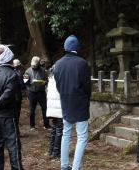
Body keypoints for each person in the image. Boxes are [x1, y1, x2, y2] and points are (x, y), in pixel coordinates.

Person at [53, 35, 91, 170]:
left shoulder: (58, 63)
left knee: (66, 134)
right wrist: (87, 98)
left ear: (65, 48)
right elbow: (87, 86)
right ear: (77, 48)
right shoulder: (81, 63)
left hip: (66, 102)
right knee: (81, 136)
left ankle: (64, 165)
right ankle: (76, 167)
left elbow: (57, 84)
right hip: (80, 102)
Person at [24, 56, 51, 130]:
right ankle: (32, 125)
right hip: (32, 92)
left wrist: (44, 82)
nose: (34, 66)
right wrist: (26, 79)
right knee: (32, 109)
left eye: (35, 65)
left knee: (44, 108)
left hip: (41, 92)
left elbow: (46, 80)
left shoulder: (42, 70)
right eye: (33, 65)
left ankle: (46, 124)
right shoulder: (28, 71)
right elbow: (25, 82)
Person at [46, 64, 63, 160]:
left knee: (54, 129)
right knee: (59, 130)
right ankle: (56, 151)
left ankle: (51, 149)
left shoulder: (51, 78)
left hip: (53, 107)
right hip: (59, 107)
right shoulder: (59, 79)